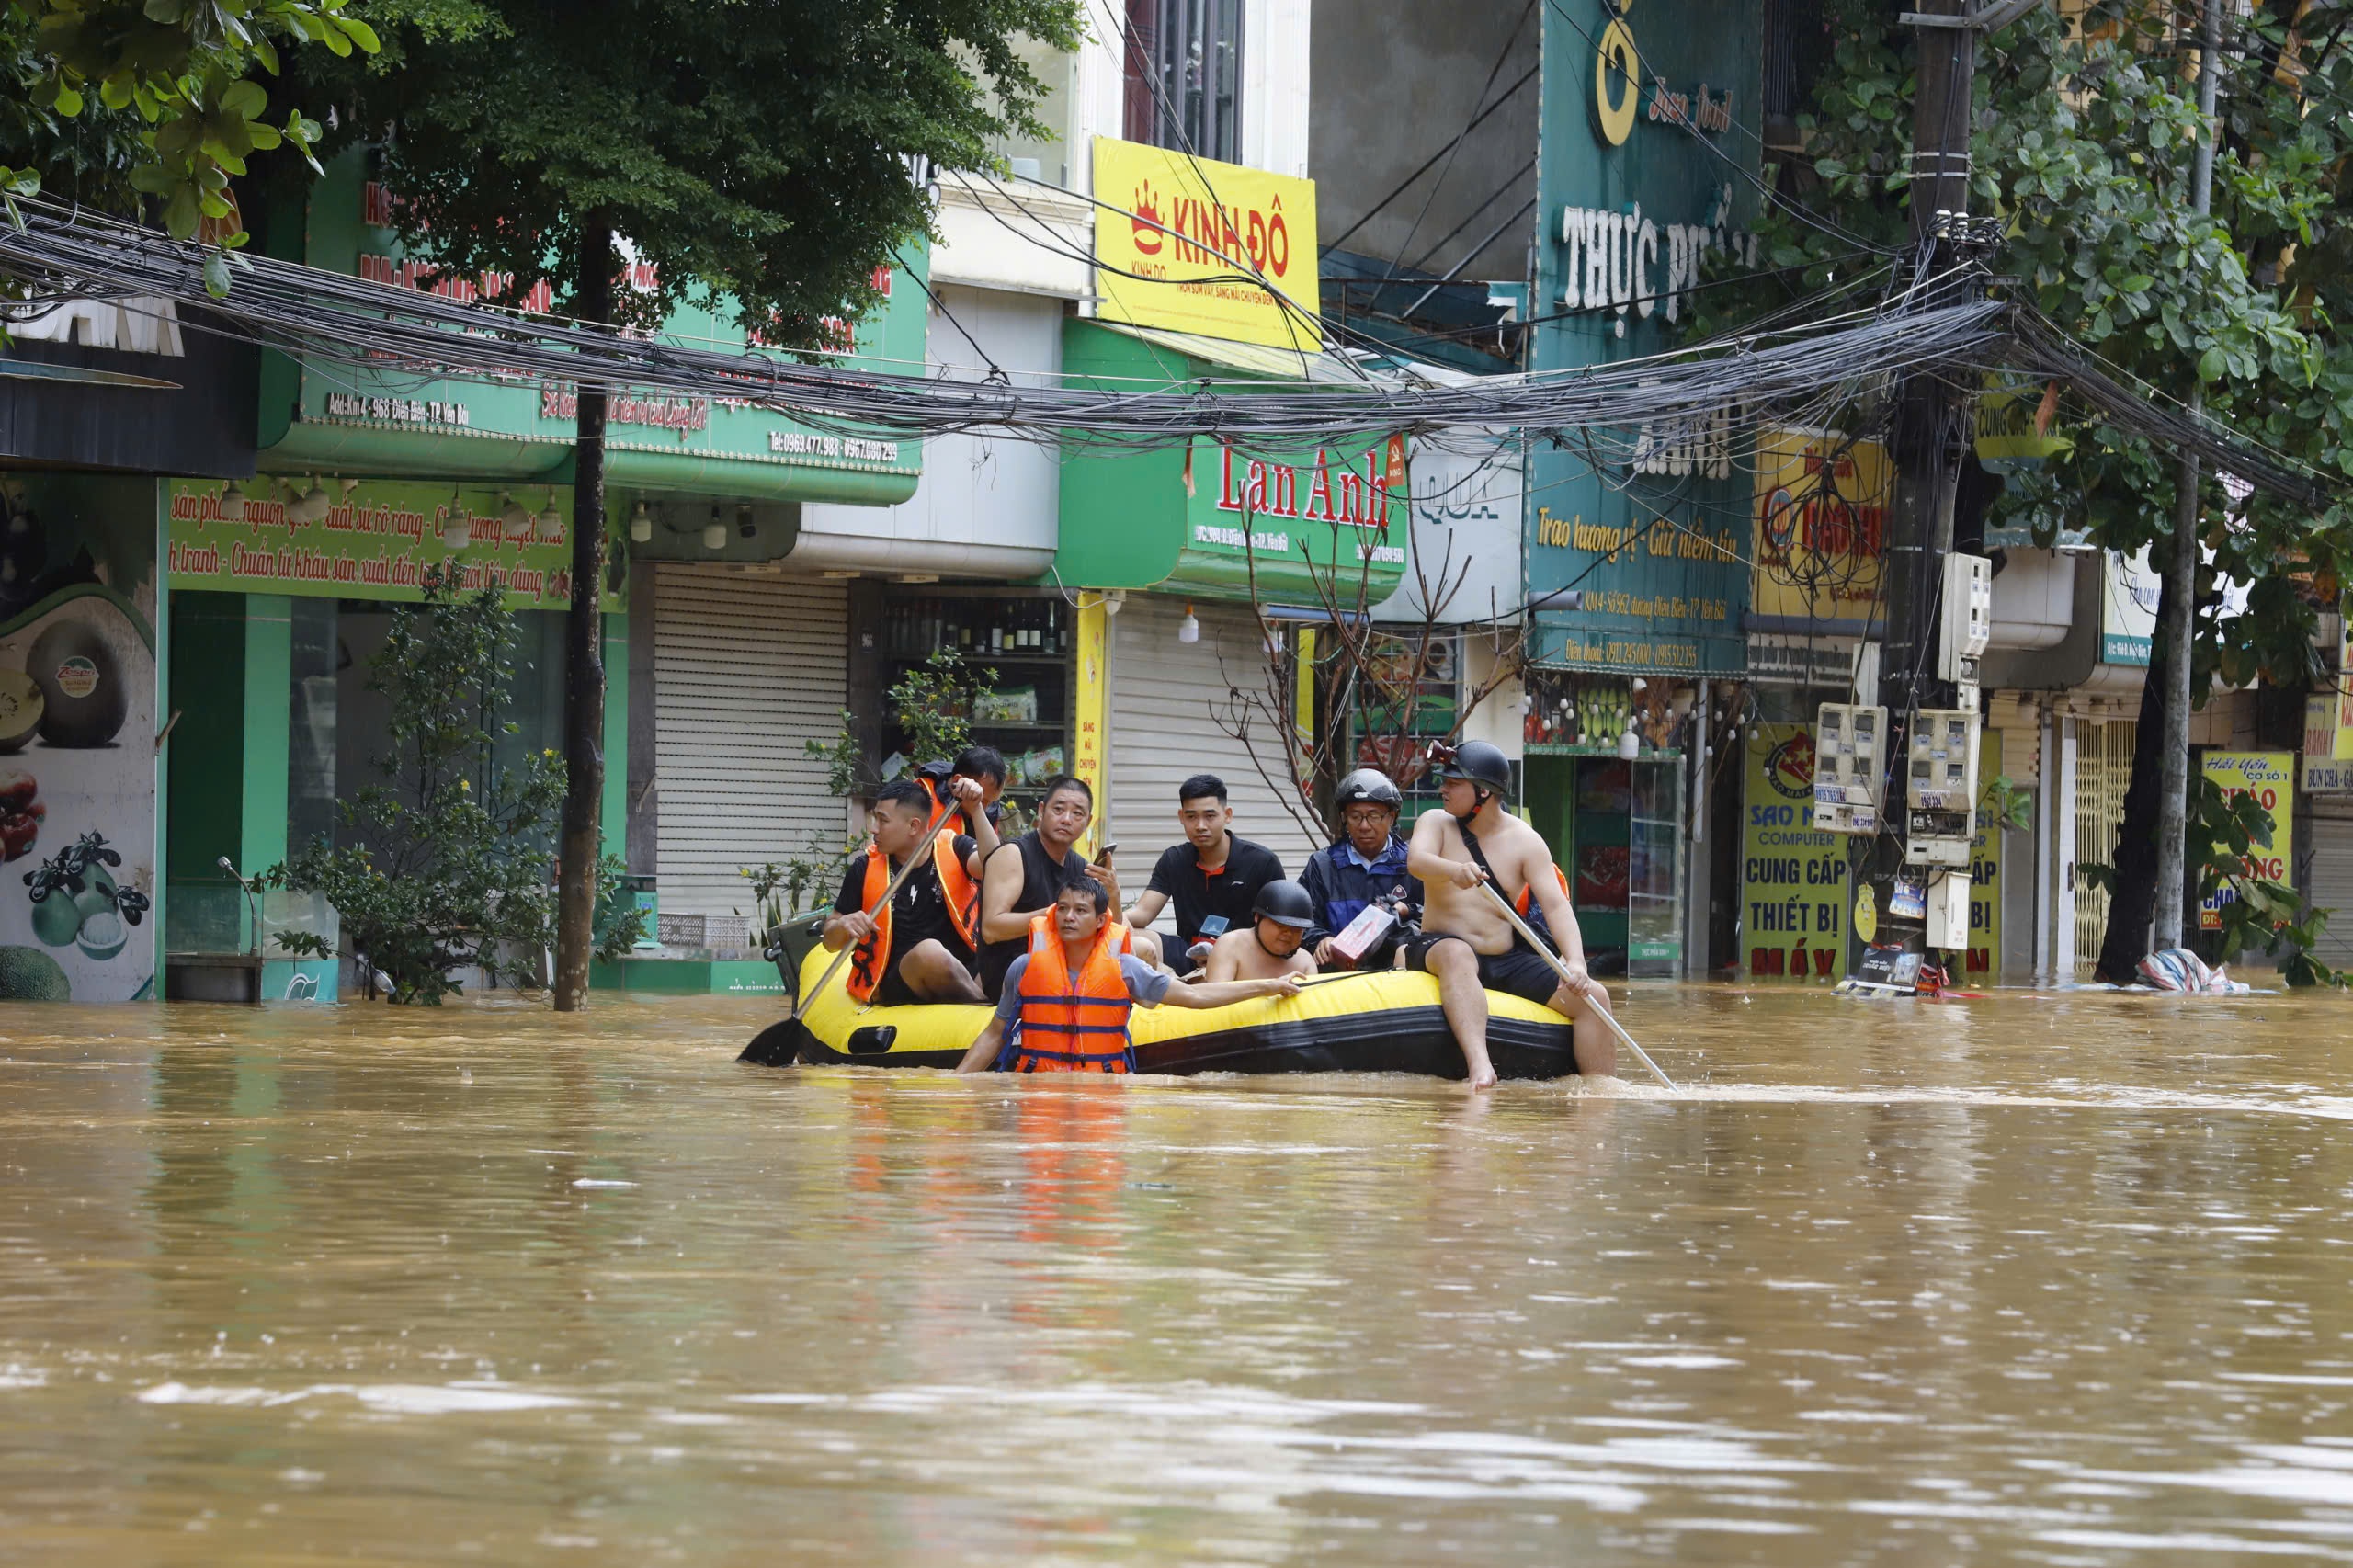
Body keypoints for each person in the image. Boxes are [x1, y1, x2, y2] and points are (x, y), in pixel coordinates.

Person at [1404, 739, 1617, 1087]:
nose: (1443, 789)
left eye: (1454, 783)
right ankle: (1481, 1067)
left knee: (1596, 996)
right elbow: (1416, 861)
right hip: (1441, 947)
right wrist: (1453, 871)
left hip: (1506, 957)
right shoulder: (1435, 822)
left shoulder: (1526, 840)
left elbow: (1555, 906)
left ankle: (1601, 1089)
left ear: (1484, 793)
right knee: (1458, 954)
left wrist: (1575, 961)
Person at [957, 880, 1303, 1073]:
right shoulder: (1024, 967)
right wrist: (954, 1089)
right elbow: (994, 1035)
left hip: (1102, 1099)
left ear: (1100, 922)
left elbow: (1196, 997)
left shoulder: (1127, 968)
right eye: (1061, 909)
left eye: (1080, 911)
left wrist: (1269, 986)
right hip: (1037, 1098)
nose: (1068, 917)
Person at [974, 774, 1160, 998]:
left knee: (1145, 946)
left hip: (1063, 962)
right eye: (1058, 810)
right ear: (1041, 811)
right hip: (1014, 972)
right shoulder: (1013, 855)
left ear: (1088, 821)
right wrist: (1056, 912)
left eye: (1077, 814)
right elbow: (992, 929)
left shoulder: (1081, 866)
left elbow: (1121, 933)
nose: (1066, 819)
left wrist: (1113, 894)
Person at [823, 777, 984, 1006]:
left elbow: (991, 865)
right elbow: (830, 942)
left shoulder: (956, 848)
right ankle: (984, 1010)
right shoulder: (863, 867)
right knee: (929, 953)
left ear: (913, 826)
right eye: (874, 818)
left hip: (966, 969)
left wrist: (976, 809)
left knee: (1010, 957)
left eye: (882, 820)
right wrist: (842, 925)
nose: (873, 829)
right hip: (900, 978)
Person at [1123, 773, 1285, 978]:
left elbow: (1278, 928)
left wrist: (1226, 952)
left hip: (1244, 959)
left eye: (1210, 816)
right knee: (1131, 937)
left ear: (1227, 815)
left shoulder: (1262, 862)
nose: (1200, 826)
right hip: (1189, 953)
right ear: (1181, 817)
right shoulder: (1174, 859)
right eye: (1191, 817)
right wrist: (1113, 916)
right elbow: (1143, 912)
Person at [1302, 767, 1422, 970]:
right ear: (1344, 818)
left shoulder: (1414, 863)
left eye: (1374, 816)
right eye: (1355, 816)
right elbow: (1303, 920)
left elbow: (1438, 918)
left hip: (1398, 976)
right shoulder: (1322, 864)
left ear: (1391, 817)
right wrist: (1321, 939)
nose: (1364, 826)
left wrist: (1406, 911)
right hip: (1339, 976)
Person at [1203, 879, 1320, 983]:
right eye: (1280, 925)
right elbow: (1216, 997)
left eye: (1296, 929)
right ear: (1257, 917)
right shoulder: (1230, 945)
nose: (1288, 933)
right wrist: (1264, 988)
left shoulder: (1305, 962)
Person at [914, 744, 1008, 862]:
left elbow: (992, 862)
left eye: (991, 802)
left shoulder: (990, 810)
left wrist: (976, 809)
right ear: (958, 781)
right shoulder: (920, 795)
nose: (985, 808)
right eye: (982, 800)